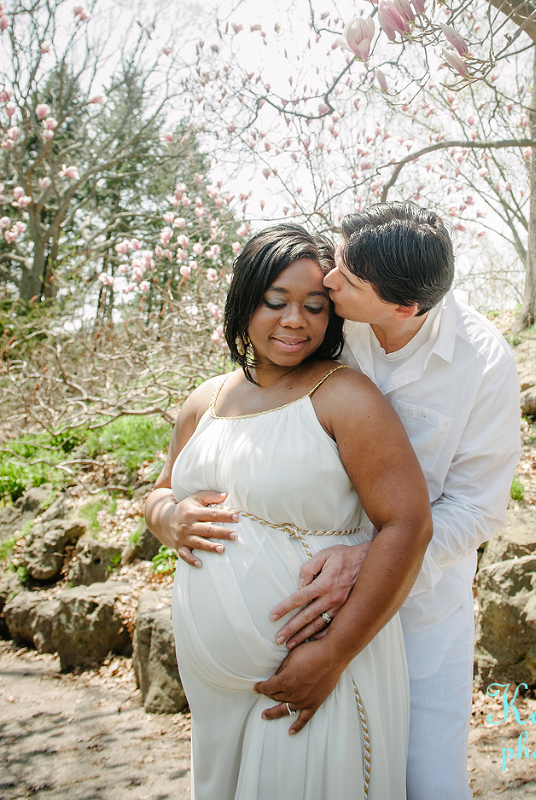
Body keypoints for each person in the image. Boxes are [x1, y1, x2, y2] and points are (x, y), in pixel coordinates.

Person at [145, 223, 432, 800]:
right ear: (244, 301)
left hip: (318, 674)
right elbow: (159, 492)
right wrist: (167, 518)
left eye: (315, 306)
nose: (295, 320)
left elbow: (409, 524)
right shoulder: (205, 401)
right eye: (275, 301)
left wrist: (331, 655)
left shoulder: (344, 395)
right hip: (216, 695)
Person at [267, 203, 521, 800]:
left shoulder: (484, 363)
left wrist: (376, 557)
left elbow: (479, 507)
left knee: (428, 784)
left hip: (423, 616)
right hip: (309, 600)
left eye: (347, 280)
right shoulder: (326, 323)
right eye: (337, 260)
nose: (328, 282)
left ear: (406, 307)